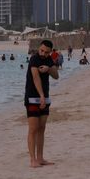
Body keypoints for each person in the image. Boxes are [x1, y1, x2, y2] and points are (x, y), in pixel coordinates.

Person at [25, 39, 59, 168]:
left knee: (41, 128)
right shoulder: (34, 59)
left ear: (50, 52)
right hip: (32, 97)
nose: (43, 53)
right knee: (33, 129)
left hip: (45, 97)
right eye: (42, 50)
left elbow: (56, 76)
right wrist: (41, 96)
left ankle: (40, 158)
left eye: (46, 52)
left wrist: (48, 69)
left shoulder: (49, 60)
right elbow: (35, 78)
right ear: (39, 48)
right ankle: (33, 160)